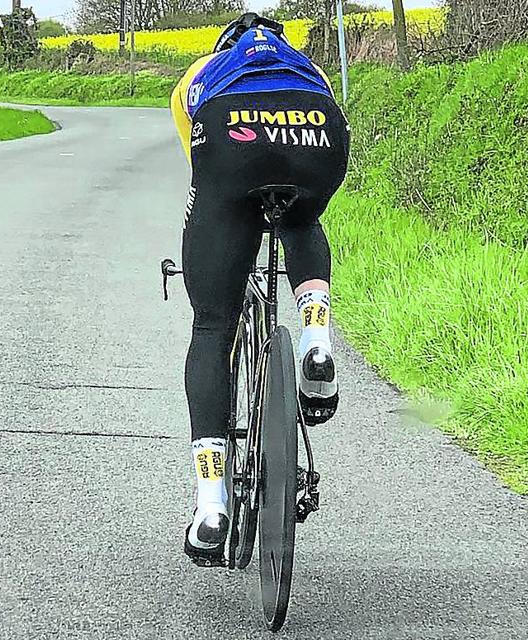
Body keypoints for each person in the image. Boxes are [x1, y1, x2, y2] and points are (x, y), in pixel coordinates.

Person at [170, 12, 350, 564]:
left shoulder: (202, 73)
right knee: (301, 220)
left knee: (212, 324)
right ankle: (316, 338)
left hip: (231, 139)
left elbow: (200, 169)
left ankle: (210, 503)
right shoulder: (307, 67)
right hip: (318, 132)